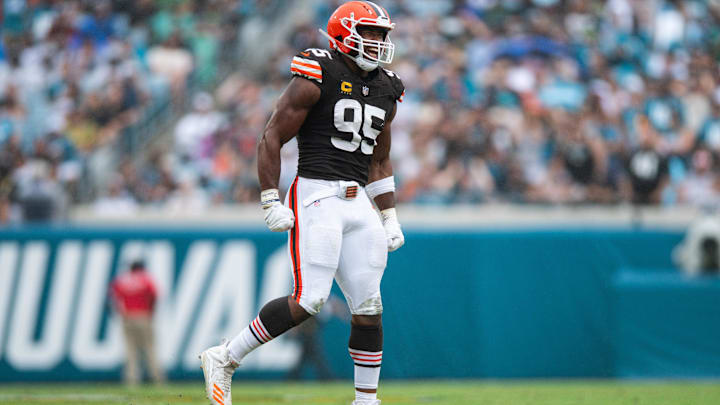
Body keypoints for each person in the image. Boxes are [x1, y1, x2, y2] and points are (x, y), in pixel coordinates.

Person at [199, 2, 405, 405]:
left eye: (382, 34)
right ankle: (225, 356)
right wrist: (269, 198)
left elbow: (379, 160)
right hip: (317, 193)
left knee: (370, 302)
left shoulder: (387, 88)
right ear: (344, 33)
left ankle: (366, 400)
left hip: (358, 200)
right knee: (309, 298)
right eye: (370, 32)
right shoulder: (319, 70)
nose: (379, 42)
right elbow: (272, 135)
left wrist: (390, 215)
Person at [110, 260, 165, 385]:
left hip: (128, 317)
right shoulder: (146, 279)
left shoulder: (122, 281)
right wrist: (150, 312)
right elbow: (154, 296)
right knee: (150, 348)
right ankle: (157, 378)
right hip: (144, 315)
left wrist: (121, 312)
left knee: (130, 350)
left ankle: (132, 379)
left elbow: (113, 298)